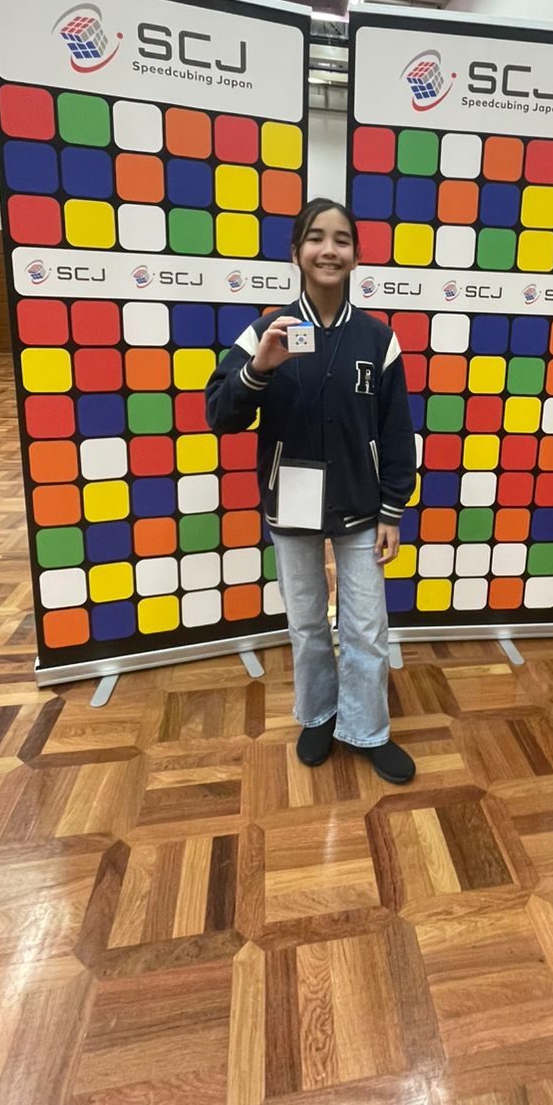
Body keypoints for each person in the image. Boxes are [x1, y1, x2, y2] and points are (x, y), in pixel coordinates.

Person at [204, 198, 418, 783]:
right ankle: (319, 715)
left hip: (360, 501)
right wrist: (258, 370)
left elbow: (395, 431)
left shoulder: (378, 339)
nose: (330, 250)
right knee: (306, 622)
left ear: (356, 255)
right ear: (297, 251)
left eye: (342, 239)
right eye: (317, 238)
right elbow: (220, 414)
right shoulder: (266, 331)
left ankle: (367, 728)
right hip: (290, 500)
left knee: (366, 625)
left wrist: (392, 509)